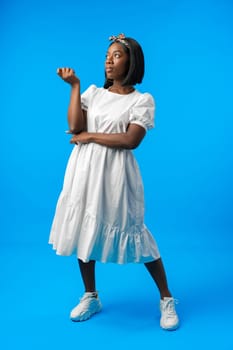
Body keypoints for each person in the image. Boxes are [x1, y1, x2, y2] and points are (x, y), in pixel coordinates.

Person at [49, 33, 179, 330]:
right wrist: (75, 87)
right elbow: (74, 127)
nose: (109, 60)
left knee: (134, 231)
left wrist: (91, 136)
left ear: (132, 62)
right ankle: (91, 295)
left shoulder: (141, 100)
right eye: (108, 55)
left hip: (116, 176)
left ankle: (166, 298)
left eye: (117, 55)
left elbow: (131, 140)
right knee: (83, 228)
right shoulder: (93, 93)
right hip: (84, 170)